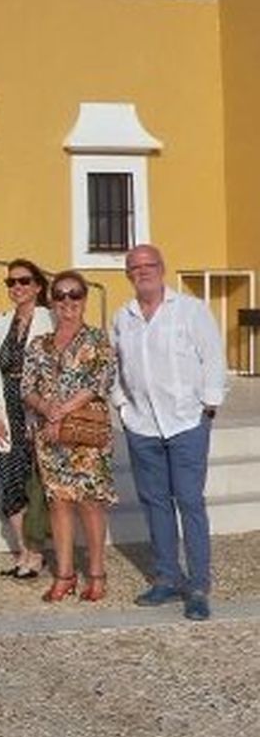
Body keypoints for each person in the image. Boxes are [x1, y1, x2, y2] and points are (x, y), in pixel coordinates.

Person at [112, 244, 227, 621]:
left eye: (148, 265)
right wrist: (123, 406)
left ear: (162, 268)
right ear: (128, 274)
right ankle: (166, 577)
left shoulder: (190, 311)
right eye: (134, 267)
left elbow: (212, 357)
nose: (142, 272)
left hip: (185, 422)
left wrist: (208, 405)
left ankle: (197, 586)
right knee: (154, 502)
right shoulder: (123, 317)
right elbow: (115, 367)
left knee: (190, 502)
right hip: (143, 424)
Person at [22, 271, 118, 603]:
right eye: (60, 296)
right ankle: (64, 573)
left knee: (90, 504)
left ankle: (96, 573)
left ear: (84, 299)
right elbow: (27, 387)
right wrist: (44, 406)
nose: (67, 302)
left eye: (74, 295)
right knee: (59, 503)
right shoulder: (39, 344)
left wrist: (58, 411)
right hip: (50, 437)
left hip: (86, 437)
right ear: (51, 301)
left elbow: (99, 383)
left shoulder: (97, 340)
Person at [0, 259, 53, 581]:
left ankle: (36, 553)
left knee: (35, 484)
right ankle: (24, 550)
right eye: (11, 283)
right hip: (4, 409)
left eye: (23, 281)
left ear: (38, 285)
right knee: (11, 483)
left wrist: (44, 411)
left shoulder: (50, 320)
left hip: (37, 410)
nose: (17, 288)